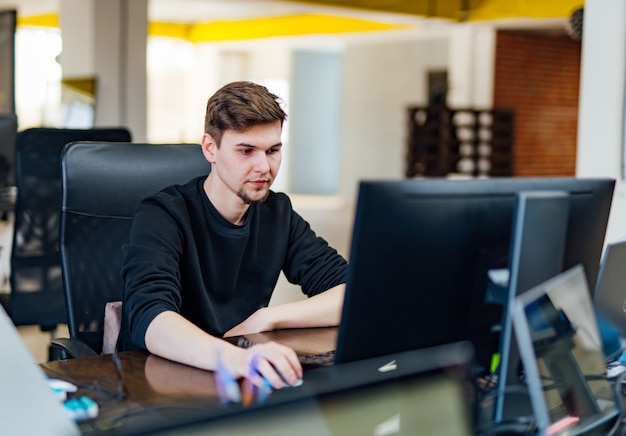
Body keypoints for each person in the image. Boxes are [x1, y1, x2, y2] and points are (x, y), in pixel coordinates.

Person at [118, 81, 348, 389]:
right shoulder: (163, 213)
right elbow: (152, 319)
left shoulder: (277, 213)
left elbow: (354, 291)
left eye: (273, 151)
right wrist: (236, 359)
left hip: (238, 380)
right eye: (247, 151)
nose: (263, 166)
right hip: (161, 380)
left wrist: (270, 318)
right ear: (210, 148)